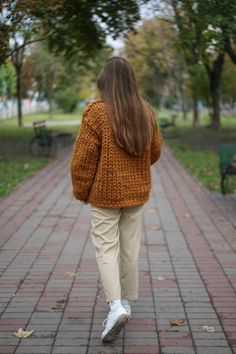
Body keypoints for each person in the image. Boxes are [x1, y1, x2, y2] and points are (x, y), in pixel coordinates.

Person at [70, 56, 163, 343]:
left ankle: (115, 307)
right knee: (129, 248)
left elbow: (82, 160)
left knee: (106, 249)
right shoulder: (144, 110)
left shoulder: (95, 112)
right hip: (136, 192)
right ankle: (126, 302)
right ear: (130, 81)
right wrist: (136, 166)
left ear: (104, 80)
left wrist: (81, 191)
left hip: (105, 194)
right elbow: (156, 150)